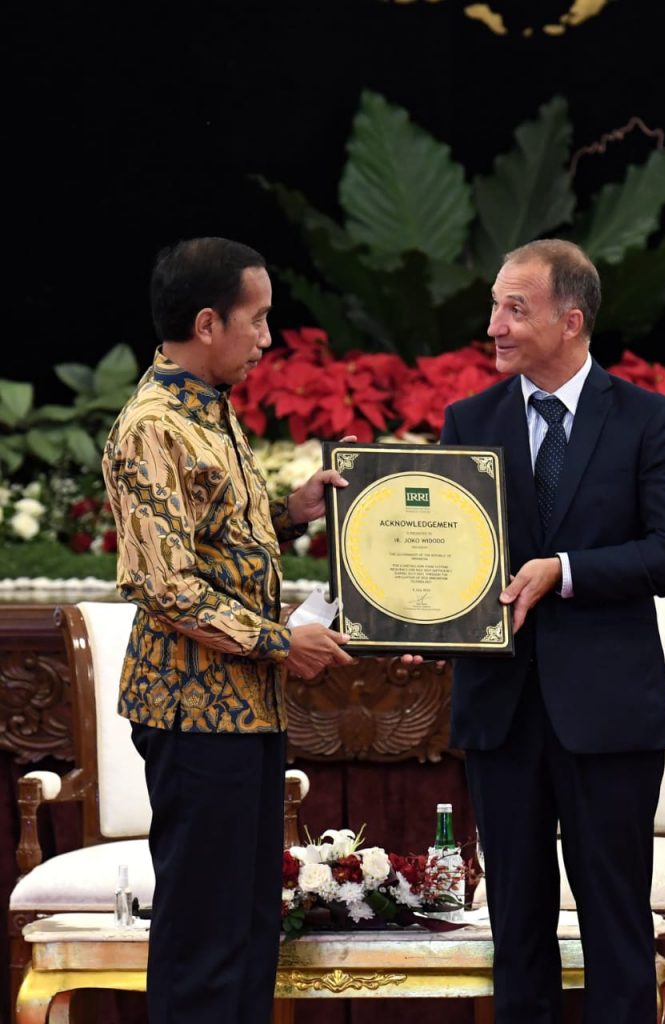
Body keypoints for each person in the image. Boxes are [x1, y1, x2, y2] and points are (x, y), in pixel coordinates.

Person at [440, 239, 665, 1023]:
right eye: (493, 305)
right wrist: (420, 613)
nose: (493, 324)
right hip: (502, 711)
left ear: (572, 320)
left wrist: (566, 569)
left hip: (609, 717)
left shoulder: (645, 420)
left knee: (615, 928)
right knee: (515, 927)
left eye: (514, 309)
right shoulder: (470, 419)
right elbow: (449, 556)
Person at [102, 236, 355, 1024]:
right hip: (193, 709)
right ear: (208, 322)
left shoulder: (206, 411)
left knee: (248, 931)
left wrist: (291, 512)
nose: (267, 338)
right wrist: (284, 641)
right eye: (258, 320)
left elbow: (207, 545)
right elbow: (167, 585)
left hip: (243, 706)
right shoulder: (153, 424)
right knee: (205, 937)